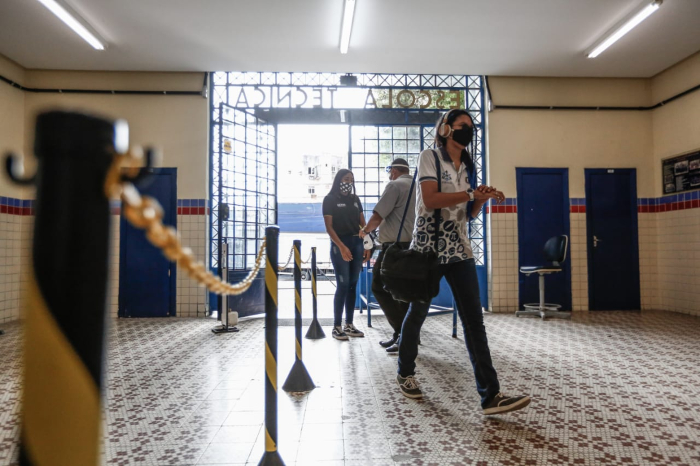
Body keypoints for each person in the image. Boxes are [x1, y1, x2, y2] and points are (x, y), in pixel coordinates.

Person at [395, 109, 531, 416]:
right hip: (428, 247)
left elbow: (466, 214)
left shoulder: (467, 164)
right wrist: (468, 193)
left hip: (459, 249)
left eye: (470, 127)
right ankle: (405, 372)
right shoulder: (429, 156)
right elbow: (430, 200)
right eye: (461, 126)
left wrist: (479, 200)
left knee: (474, 320)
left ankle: (490, 395)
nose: (467, 131)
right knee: (417, 312)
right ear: (445, 129)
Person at [360, 158, 416, 354]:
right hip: (415, 247)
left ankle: (403, 333)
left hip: (394, 248)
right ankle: (405, 336)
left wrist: (365, 230)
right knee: (405, 292)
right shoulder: (419, 186)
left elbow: (378, 215)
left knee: (378, 286)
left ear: (393, 170)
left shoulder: (395, 185)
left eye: (389, 171)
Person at [323, 169, 371, 340]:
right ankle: (336, 326)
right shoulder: (329, 200)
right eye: (346, 179)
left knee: (353, 285)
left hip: (357, 243)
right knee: (342, 285)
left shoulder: (355, 199)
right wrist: (342, 247)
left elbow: (363, 223)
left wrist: (366, 244)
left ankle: (349, 324)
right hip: (340, 244)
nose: (349, 182)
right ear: (338, 180)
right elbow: (329, 227)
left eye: (351, 179)